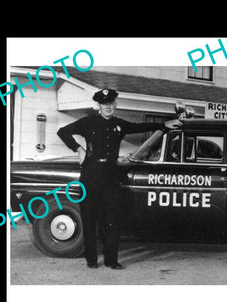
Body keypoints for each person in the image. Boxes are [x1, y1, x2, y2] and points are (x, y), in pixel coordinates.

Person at [57, 88, 182, 269]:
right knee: (90, 219)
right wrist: (78, 149)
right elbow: (63, 132)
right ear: (98, 105)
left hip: (111, 176)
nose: (108, 107)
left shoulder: (119, 124)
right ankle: (91, 260)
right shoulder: (88, 122)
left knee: (112, 220)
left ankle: (111, 260)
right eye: (104, 104)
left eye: (111, 104)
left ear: (115, 105)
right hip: (90, 176)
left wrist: (164, 125)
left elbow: (139, 127)